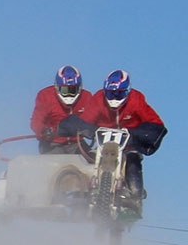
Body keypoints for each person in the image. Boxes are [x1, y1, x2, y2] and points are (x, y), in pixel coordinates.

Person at [68, 69, 167, 203]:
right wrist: (82, 129)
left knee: (133, 162)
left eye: (118, 94)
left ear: (127, 92)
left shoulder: (136, 100)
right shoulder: (99, 99)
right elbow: (85, 120)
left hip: (129, 144)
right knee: (85, 160)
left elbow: (155, 123)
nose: (114, 98)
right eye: (110, 93)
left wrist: (139, 134)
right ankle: (82, 191)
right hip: (104, 145)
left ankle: (134, 196)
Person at [31, 65, 96, 154]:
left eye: (73, 90)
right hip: (53, 144)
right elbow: (36, 120)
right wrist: (43, 130)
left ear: (79, 88)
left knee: (94, 161)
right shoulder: (45, 96)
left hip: (77, 144)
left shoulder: (87, 97)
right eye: (65, 90)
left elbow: (95, 119)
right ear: (57, 87)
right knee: (58, 165)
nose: (69, 94)